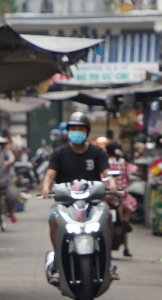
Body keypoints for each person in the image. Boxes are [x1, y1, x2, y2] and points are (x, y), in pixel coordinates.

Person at [40, 111, 115, 259]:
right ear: (68, 131)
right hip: (65, 201)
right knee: (54, 220)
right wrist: (46, 187)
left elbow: (107, 171)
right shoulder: (59, 153)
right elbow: (50, 174)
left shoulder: (97, 152)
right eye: (73, 129)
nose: (77, 132)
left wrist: (112, 183)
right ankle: (59, 256)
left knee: (107, 218)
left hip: (92, 200)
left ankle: (106, 257)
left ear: (87, 131)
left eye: (81, 129)